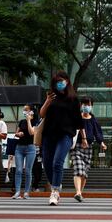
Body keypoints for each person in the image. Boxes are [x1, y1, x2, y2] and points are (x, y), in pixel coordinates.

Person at [39, 70, 88, 205]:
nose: (59, 83)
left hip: (65, 135)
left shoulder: (73, 99)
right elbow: (42, 114)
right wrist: (47, 101)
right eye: (56, 82)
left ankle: (54, 191)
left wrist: (83, 138)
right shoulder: (51, 97)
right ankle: (56, 183)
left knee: (57, 162)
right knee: (47, 164)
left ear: (67, 82)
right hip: (49, 134)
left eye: (61, 81)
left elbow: (79, 122)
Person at [71, 97, 107, 202]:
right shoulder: (76, 118)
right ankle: (77, 192)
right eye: (84, 104)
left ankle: (80, 193)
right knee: (78, 169)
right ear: (81, 106)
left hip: (89, 148)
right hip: (77, 146)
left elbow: (98, 133)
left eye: (88, 104)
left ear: (92, 106)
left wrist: (102, 143)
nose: (86, 106)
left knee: (85, 172)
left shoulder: (93, 120)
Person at [12, 104, 37, 200]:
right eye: (23, 110)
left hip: (31, 148)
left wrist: (28, 120)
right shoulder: (21, 121)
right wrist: (19, 134)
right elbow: (16, 133)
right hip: (19, 148)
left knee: (27, 171)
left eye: (26, 110)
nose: (24, 112)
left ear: (31, 111)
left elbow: (31, 132)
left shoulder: (35, 121)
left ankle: (26, 192)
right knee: (18, 170)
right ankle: (17, 192)